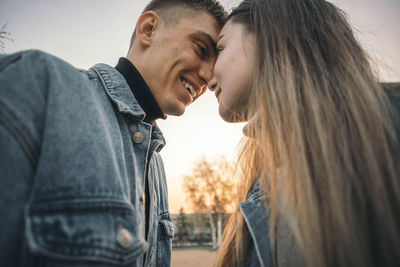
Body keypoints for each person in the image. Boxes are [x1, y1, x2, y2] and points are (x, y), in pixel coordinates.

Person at [0, 1, 226, 266]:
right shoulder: (38, 84)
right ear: (148, 29)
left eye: (216, 63)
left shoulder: (156, 166)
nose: (209, 77)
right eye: (200, 49)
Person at [208, 0, 400, 266]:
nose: (209, 78)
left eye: (220, 47)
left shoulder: (391, 122)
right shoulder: (264, 176)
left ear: (268, 35)